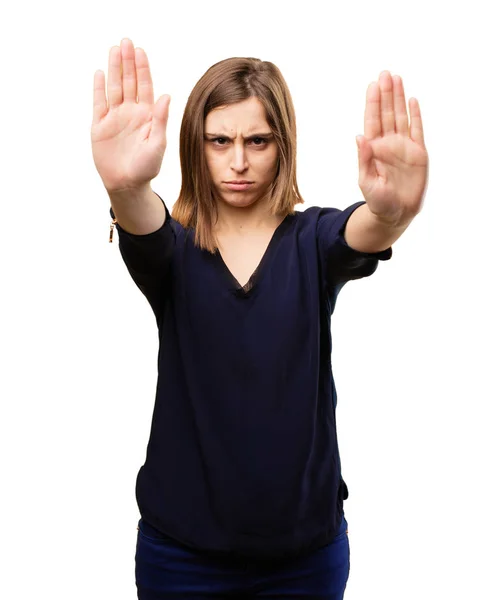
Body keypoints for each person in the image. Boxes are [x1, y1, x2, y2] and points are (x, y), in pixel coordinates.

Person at [91, 38, 428, 599]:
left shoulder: (313, 242)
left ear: (283, 145)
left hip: (304, 558)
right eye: (219, 141)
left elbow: (362, 230)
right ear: (195, 146)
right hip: (181, 556)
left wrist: (392, 213)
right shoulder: (173, 252)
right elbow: (142, 221)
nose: (239, 161)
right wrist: (123, 185)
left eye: (258, 141)